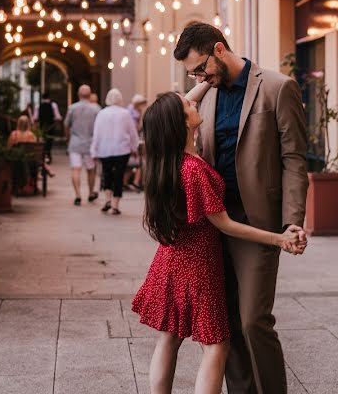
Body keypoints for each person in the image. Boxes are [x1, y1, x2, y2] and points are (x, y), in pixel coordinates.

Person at [132, 92, 305, 394]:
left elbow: (172, 108)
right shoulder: (194, 170)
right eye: (187, 105)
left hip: (170, 260)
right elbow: (225, 224)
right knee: (216, 345)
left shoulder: (170, 163)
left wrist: (206, 80)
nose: (193, 102)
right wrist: (279, 239)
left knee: (169, 337)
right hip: (199, 265)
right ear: (181, 123)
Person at [173, 22, 309, 394]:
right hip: (213, 227)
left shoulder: (278, 87)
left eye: (201, 68)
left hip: (257, 224)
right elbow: (177, 112)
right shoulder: (208, 94)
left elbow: (295, 160)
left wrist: (292, 223)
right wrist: (200, 84)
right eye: (192, 74)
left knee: (253, 322)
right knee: (226, 324)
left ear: (219, 49)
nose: (199, 77)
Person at [90, 88, 139, 215]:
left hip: (104, 149)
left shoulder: (101, 113)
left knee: (107, 174)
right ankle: (115, 205)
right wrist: (134, 148)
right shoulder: (125, 113)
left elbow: (96, 133)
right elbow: (132, 133)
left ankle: (107, 200)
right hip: (122, 150)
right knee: (118, 176)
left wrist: (94, 151)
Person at [64, 84, 101, 206]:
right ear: (90, 95)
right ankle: (90, 193)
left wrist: (68, 138)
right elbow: (99, 128)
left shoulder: (72, 108)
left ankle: (78, 195)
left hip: (75, 142)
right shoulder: (96, 109)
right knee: (91, 169)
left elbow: (66, 125)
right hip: (90, 144)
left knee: (76, 169)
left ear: (78, 95)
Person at [124, 93, 148, 191]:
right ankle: (136, 182)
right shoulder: (130, 110)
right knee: (138, 162)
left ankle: (130, 182)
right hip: (131, 139)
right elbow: (132, 127)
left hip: (134, 137)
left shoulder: (137, 110)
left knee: (135, 162)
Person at [34, 93, 62, 163]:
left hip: (41, 127)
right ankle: (48, 155)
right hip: (51, 126)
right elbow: (58, 117)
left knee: (42, 141)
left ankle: (43, 155)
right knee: (49, 141)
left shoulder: (38, 106)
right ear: (49, 98)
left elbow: (35, 118)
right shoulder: (53, 105)